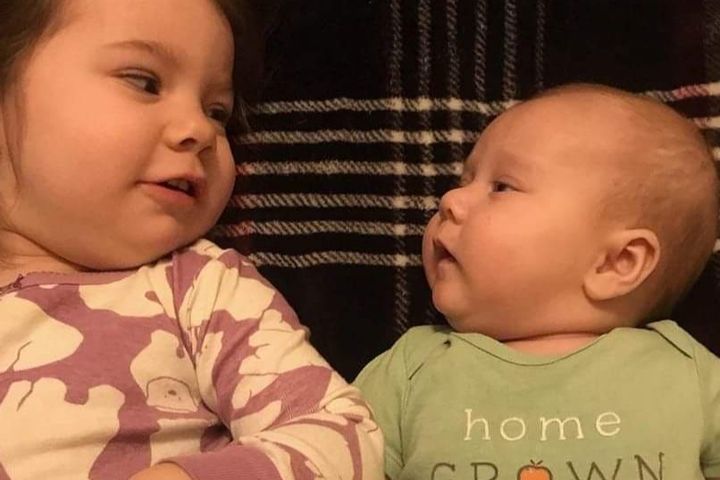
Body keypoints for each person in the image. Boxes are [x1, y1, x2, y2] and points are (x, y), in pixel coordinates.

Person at [0, 1, 383, 479]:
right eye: (144, 82)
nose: (201, 130)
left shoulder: (201, 289)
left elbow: (340, 436)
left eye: (218, 111)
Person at [354, 84, 720, 480]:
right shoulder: (410, 369)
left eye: (501, 187)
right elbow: (331, 459)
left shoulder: (690, 376)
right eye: (464, 180)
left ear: (616, 263)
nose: (449, 200)